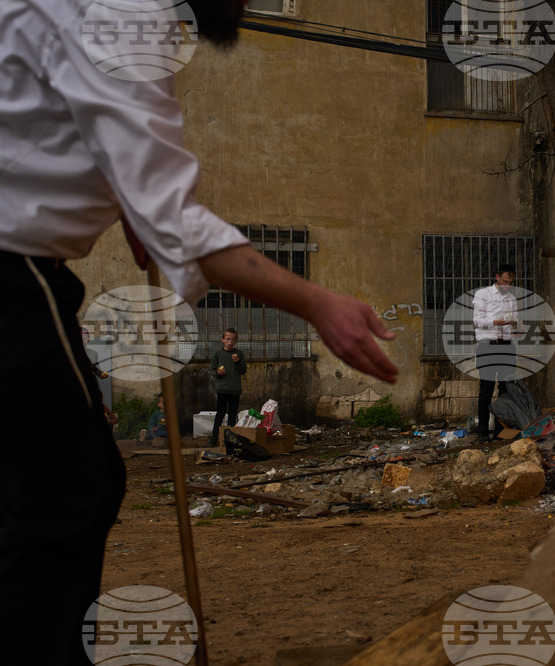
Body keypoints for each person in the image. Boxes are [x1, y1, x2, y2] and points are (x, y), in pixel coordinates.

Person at [0, 2, 397, 663]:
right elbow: (175, 221)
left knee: (61, 484)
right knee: (65, 497)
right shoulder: (123, 10)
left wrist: (126, 193)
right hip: (12, 277)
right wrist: (319, 303)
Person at [472, 264, 520, 441]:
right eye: (505, 281)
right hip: (487, 346)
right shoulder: (482, 295)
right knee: (486, 390)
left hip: (507, 346)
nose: (507, 286)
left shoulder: (512, 299)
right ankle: (483, 433)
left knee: (506, 390)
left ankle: (501, 432)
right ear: (497, 277)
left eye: (511, 283)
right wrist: (495, 322)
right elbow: (477, 321)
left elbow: (513, 322)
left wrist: (517, 329)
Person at [210, 328, 247, 444]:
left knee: (232, 414)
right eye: (228, 339)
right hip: (222, 388)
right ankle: (214, 437)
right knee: (220, 413)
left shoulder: (239, 354)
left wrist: (236, 362)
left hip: (235, 389)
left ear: (236, 341)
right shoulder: (218, 354)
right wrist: (218, 373)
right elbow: (212, 370)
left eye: (233, 339)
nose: (230, 342)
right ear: (223, 340)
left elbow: (243, 370)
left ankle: (231, 439)